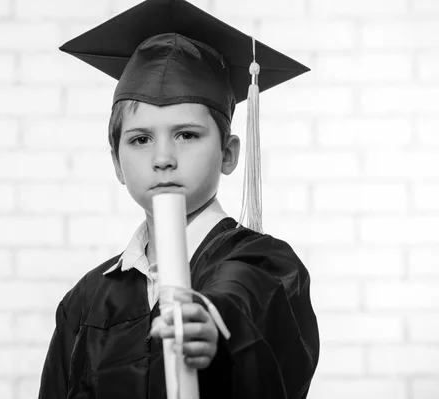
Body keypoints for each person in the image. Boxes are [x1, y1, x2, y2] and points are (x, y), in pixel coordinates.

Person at [38, 0, 319, 398]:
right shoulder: (85, 301)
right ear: (117, 164)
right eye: (139, 140)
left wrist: (215, 327)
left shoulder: (265, 265)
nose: (163, 158)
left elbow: (243, 302)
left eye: (187, 135)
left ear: (228, 154)